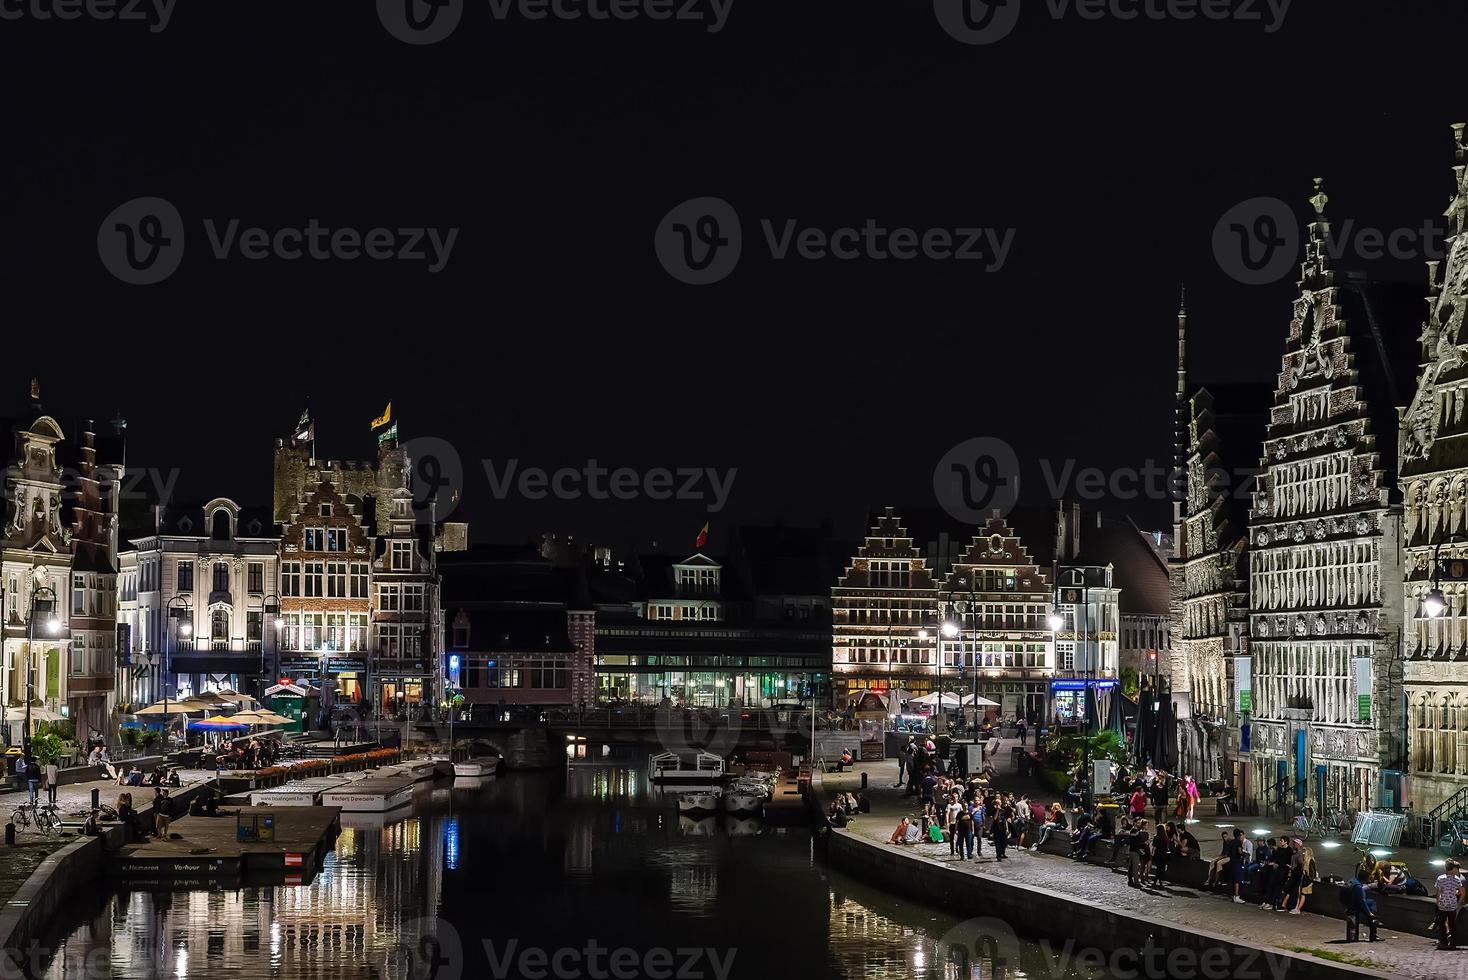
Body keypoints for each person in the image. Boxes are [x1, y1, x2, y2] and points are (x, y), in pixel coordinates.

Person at [1340, 873, 1381, 943]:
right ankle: (1373, 924)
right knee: (1372, 903)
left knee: (1369, 907)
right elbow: (1362, 901)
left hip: (1347, 903)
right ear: (1365, 879)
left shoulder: (1352, 881)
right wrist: (1369, 913)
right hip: (1354, 905)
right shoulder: (1358, 887)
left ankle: (1372, 921)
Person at [1437, 859, 1465, 950]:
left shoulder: (1440, 878)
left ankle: (1443, 942)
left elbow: (1438, 893)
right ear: (1453, 868)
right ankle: (1453, 943)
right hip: (1452, 905)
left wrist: (1438, 902)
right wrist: (1457, 903)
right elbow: (1462, 893)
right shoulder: (1457, 879)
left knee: (1442, 924)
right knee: (1452, 924)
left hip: (1442, 905)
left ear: (1445, 868)